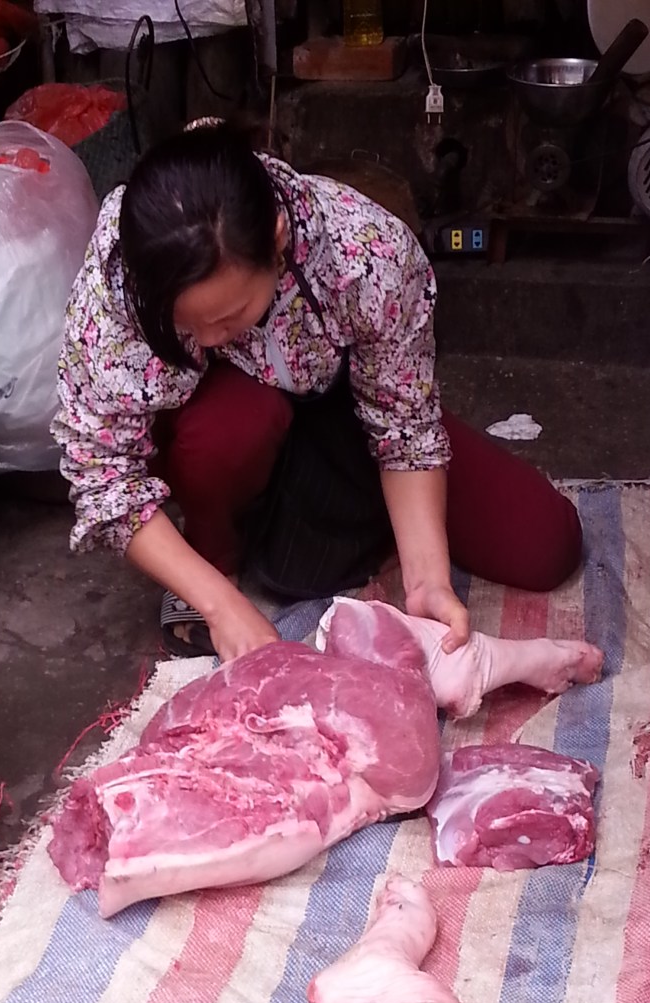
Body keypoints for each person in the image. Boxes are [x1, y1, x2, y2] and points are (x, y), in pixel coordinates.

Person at [53, 120, 582, 663]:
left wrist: (427, 581)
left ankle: (341, 520)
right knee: (231, 434)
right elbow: (103, 475)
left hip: (343, 403)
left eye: (230, 316)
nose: (209, 338)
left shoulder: (365, 254)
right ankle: (218, 554)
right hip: (229, 424)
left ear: (279, 242)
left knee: (545, 544)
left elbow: (404, 426)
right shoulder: (119, 276)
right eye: (188, 324)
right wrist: (220, 604)